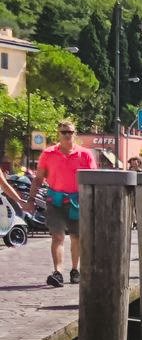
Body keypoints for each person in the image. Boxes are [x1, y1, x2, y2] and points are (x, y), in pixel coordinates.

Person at [31, 120, 96, 287]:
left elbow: (94, 180)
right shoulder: (48, 154)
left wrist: (93, 202)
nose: (67, 135)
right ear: (58, 134)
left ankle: (75, 270)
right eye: (64, 132)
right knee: (57, 236)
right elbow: (38, 179)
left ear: (75, 134)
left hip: (78, 201)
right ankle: (58, 272)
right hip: (56, 201)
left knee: (76, 237)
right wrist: (31, 199)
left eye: (70, 132)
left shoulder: (85, 154)